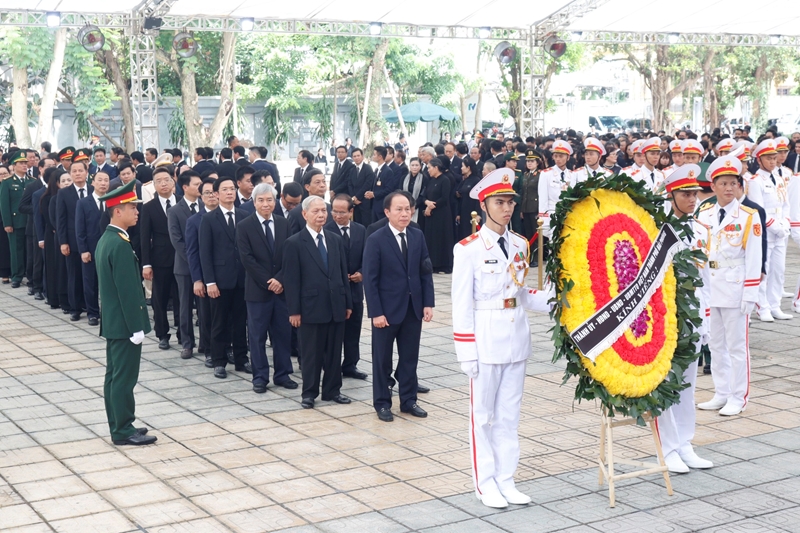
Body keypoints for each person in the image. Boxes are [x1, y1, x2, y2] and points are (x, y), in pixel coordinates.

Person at [451, 167, 551, 509]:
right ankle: (485, 483)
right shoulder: (468, 249)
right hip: (485, 340)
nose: (507, 208)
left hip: (516, 339)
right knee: (483, 417)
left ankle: (507, 478)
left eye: (510, 201)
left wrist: (560, 302)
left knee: (509, 416)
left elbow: (521, 294)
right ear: (484, 205)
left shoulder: (520, 243)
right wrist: (466, 351)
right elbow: (461, 303)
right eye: (500, 201)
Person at [657, 164, 714, 474]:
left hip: (692, 315)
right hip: (666, 316)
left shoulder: (701, 230)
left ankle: (684, 443)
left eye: (695, 193)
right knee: (667, 381)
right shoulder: (659, 230)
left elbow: (705, 276)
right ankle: (667, 447)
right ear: (672, 195)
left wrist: (704, 320)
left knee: (688, 384)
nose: (693, 199)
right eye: (685, 193)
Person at [696, 155, 762, 417]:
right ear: (713, 186)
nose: (727, 188)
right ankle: (721, 392)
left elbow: (755, 257)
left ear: (739, 186)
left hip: (735, 288)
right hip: (710, 287)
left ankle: (738, 396)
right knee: (716, 345)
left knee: (737, 347)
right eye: (722, 183)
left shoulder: (748, 216)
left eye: (732, 183)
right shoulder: (704, 212)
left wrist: (751, 293)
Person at [363, 191, 435, 422]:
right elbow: (370, 279)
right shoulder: (376, 239)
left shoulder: (417, 235)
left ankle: (409, 400)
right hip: (386, 311)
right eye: (399, 209)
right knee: (382, 359)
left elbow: (425, 272)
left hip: (412, 308)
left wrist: (428, 303)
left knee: (409, 358)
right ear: (387, 212)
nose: (405, 214)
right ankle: (382, 403)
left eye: (408, 209)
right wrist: (376, 312)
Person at [95, 179, 155, 446]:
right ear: (117, 210)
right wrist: (136, 326)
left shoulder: (110, 239)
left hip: (114, 322)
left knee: (115, 376)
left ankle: (122, 422)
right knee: (123, 378)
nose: (137, 211)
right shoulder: (118, 244)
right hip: (123, 324)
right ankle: (121, 430)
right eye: (132, 207)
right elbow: (127, 291)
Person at [283, 195, 353, 409]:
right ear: (304, 214)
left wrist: (347, 303)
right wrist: (294, 311)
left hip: (335, 305)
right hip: (310, 308)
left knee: (334, 351)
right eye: (316, 211)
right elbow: (292, 281)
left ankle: (333, 390)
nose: (322, 214)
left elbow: (342, 274)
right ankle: (309, 392)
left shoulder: (334, 239)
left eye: (324, 210)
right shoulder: (294, 243)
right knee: (311, 353)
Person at [237, 183, 296, 393]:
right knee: (257, 336)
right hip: (257, 291)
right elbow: (247, 259)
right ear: (254, 203)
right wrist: (269, 282)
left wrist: (280, 280)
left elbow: (290, 255)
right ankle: (260, 376)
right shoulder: (244, 226)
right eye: (261, 200)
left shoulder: (283, 224)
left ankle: (282, 374)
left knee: (282, 334)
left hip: (282, 291)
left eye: (269, 200)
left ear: (275, 201)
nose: (265, 204)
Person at [199, 176, 251, 378]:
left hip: (242, 279)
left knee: (241, 322)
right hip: (219, 280)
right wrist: (209, 281)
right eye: (225, 189)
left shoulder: (245, 215)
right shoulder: (209, 218)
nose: (230, 192)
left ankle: (241, 359)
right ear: (216, 194)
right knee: (219, 322)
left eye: (232, 189)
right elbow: (205, 253)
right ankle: (219, 360)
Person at [748, 139, 791, 322]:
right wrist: (775, 226)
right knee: (763, 270)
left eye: (774, 158)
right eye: (769, 158)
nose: (773, 162)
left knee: (778, 270)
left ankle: (775, 305)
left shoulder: (779, 178)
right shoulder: (755, 181)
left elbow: (785, 204)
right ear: (759, 160)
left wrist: (786, 224)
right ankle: (762, 306)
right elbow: (759, 210)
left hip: (781, 230)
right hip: (766, 232)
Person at [326, 194, 368, 380]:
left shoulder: (361, 230)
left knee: (353, 329)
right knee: (334, 332)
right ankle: (331, 365)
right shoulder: (325, 230)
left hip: (355, 289)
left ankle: (351, 364)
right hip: (334, 290)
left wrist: (362, 273)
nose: (337, 216)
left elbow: (368, 257)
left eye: (342, 212)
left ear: (351, 212)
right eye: (334, 211)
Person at [140, 167, 180, 350]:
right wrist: (146, 263)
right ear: (153, 185)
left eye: (166, 179)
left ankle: (183, 333)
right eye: (159, 181)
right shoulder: (148, 208)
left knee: (182, 298)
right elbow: (144, 237)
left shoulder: (182, 203)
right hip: (160, 259)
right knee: (159, 299)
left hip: (182, 258)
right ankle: (162, 334)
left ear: (173, 181)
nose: (163, 183)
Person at [168, 170, 203, 359]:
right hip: (184, 266)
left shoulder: (206, 206)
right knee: (185, 306)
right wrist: (195, 260)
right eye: (196, 184)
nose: (200, 187)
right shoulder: (174, 211)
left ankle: (205, 343)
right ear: (185, 187)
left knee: (205, 308)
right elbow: (177, 240)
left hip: (206, 267)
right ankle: (187, 343)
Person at [186, 178, 217, 367]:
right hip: (205, 277)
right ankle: (209, 350)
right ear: (201, 196)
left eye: (214, 192)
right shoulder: (194, 221)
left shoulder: (232, 216)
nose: (211, 196)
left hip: (226, 275)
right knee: (206, 316)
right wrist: (197, 279)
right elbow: (192, 252)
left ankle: (226, 348)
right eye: (207, 193)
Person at [57, 160, 93, 320]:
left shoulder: (94, 190)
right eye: (74, 171)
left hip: (91, 239)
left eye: (80, 170)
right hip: (72, 240)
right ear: (70, 174)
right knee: (74, 275)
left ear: (87, 172)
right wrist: (63, 241)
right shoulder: (64, 193)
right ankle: (75, 308)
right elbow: (61, 219)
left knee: (91, 276)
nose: (77, 173)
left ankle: (91, 305)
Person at [75, 171, 110, 327]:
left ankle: (109, 312)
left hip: (109, 249)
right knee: (90, 283)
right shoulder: (83, 202)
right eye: (100, 180)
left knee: (108, 283)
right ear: (93, 182)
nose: (103, 183)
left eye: (106, 180)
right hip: (90, 249)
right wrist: (83, 250)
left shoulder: (113, 201)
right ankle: (93, 313)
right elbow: (80, 228)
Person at [0, 151, 33, 288]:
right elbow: (4, 204)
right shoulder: (7, 182)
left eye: (25, 163)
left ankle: (30, 276)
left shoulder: (32, 181)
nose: (24, 165)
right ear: (14, 165)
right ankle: (17, 276)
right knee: (16, 250)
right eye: (21, 163)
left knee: (30, 251)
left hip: (30, 222)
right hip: (15, 221)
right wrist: (7, 223)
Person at [420, 158, 454, 273]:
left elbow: (444, 198)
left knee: (441, 238)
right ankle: (433, 264)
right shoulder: (430, 180)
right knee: (431, 238)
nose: (428, 170)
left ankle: (444, 264)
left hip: (441, 213)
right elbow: (423, 196)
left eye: (429, 168)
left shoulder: (445, 180)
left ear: (436, 167)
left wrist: (431, 206)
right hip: (430, 214)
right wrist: (426, 203)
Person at [538, 140, 575, 239]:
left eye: (561, 156)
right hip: (552, 215)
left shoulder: (572, 175)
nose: (558, 159)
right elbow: (542, 199)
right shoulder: (546, 174)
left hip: (569, 216)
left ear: (568, 157)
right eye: (556, 156)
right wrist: (544, 221)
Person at [288, 169, 329, 234]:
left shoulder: (330, 208)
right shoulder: (295, 213)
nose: (322, 185)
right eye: (317, 182)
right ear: (307, 187)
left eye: (324, 181)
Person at [455, 156, 481, 241]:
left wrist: (478, 214)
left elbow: (478, 198)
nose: (461, 168)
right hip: (463, 211)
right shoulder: (465, 180)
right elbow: (459, 194)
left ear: (468, 167)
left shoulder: (476, 180)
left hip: (472, 212)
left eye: (463, 166)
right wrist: (458, 213)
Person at [520, 149, 542, 244]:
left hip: (534, 208)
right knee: (528, 233)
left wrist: (540, 210)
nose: (529, 163)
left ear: (537, 162)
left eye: (532, 161)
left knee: (536, 233)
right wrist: (521, 209)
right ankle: (530, 254)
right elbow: (523, 192)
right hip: (526, 208)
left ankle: (537, 256)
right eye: (528, 161)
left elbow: (541, 193)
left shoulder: (540, 175)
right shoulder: (525, 175)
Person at [349, 148, 374, 226]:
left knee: (366, 224)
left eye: (358, 155)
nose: (356, 158)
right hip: (355, 202)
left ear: (362, 156)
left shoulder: (368, 168)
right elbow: (349, 184)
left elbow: (368, 184)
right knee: (356, 224)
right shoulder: (352, 169)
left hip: (364, 201)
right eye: (354, 156)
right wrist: (353, 198)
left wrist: (357, 197)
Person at [401, 158, 424, 223]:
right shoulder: (404, 177)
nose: (414, 167)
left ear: (420, 166)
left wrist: (414, 205)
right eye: (412, 165)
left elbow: (423, 194)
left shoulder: (424, 178)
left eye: (417, 165)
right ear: (409, 166)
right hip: (405, 205)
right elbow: (400, 191)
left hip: (418, 207)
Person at [0, 165, 11, 283]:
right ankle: (4, 272)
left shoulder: (10, 185)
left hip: (9, 221)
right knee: (3, 248)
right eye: (1, 174)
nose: (3, 176)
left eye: (5, 173)